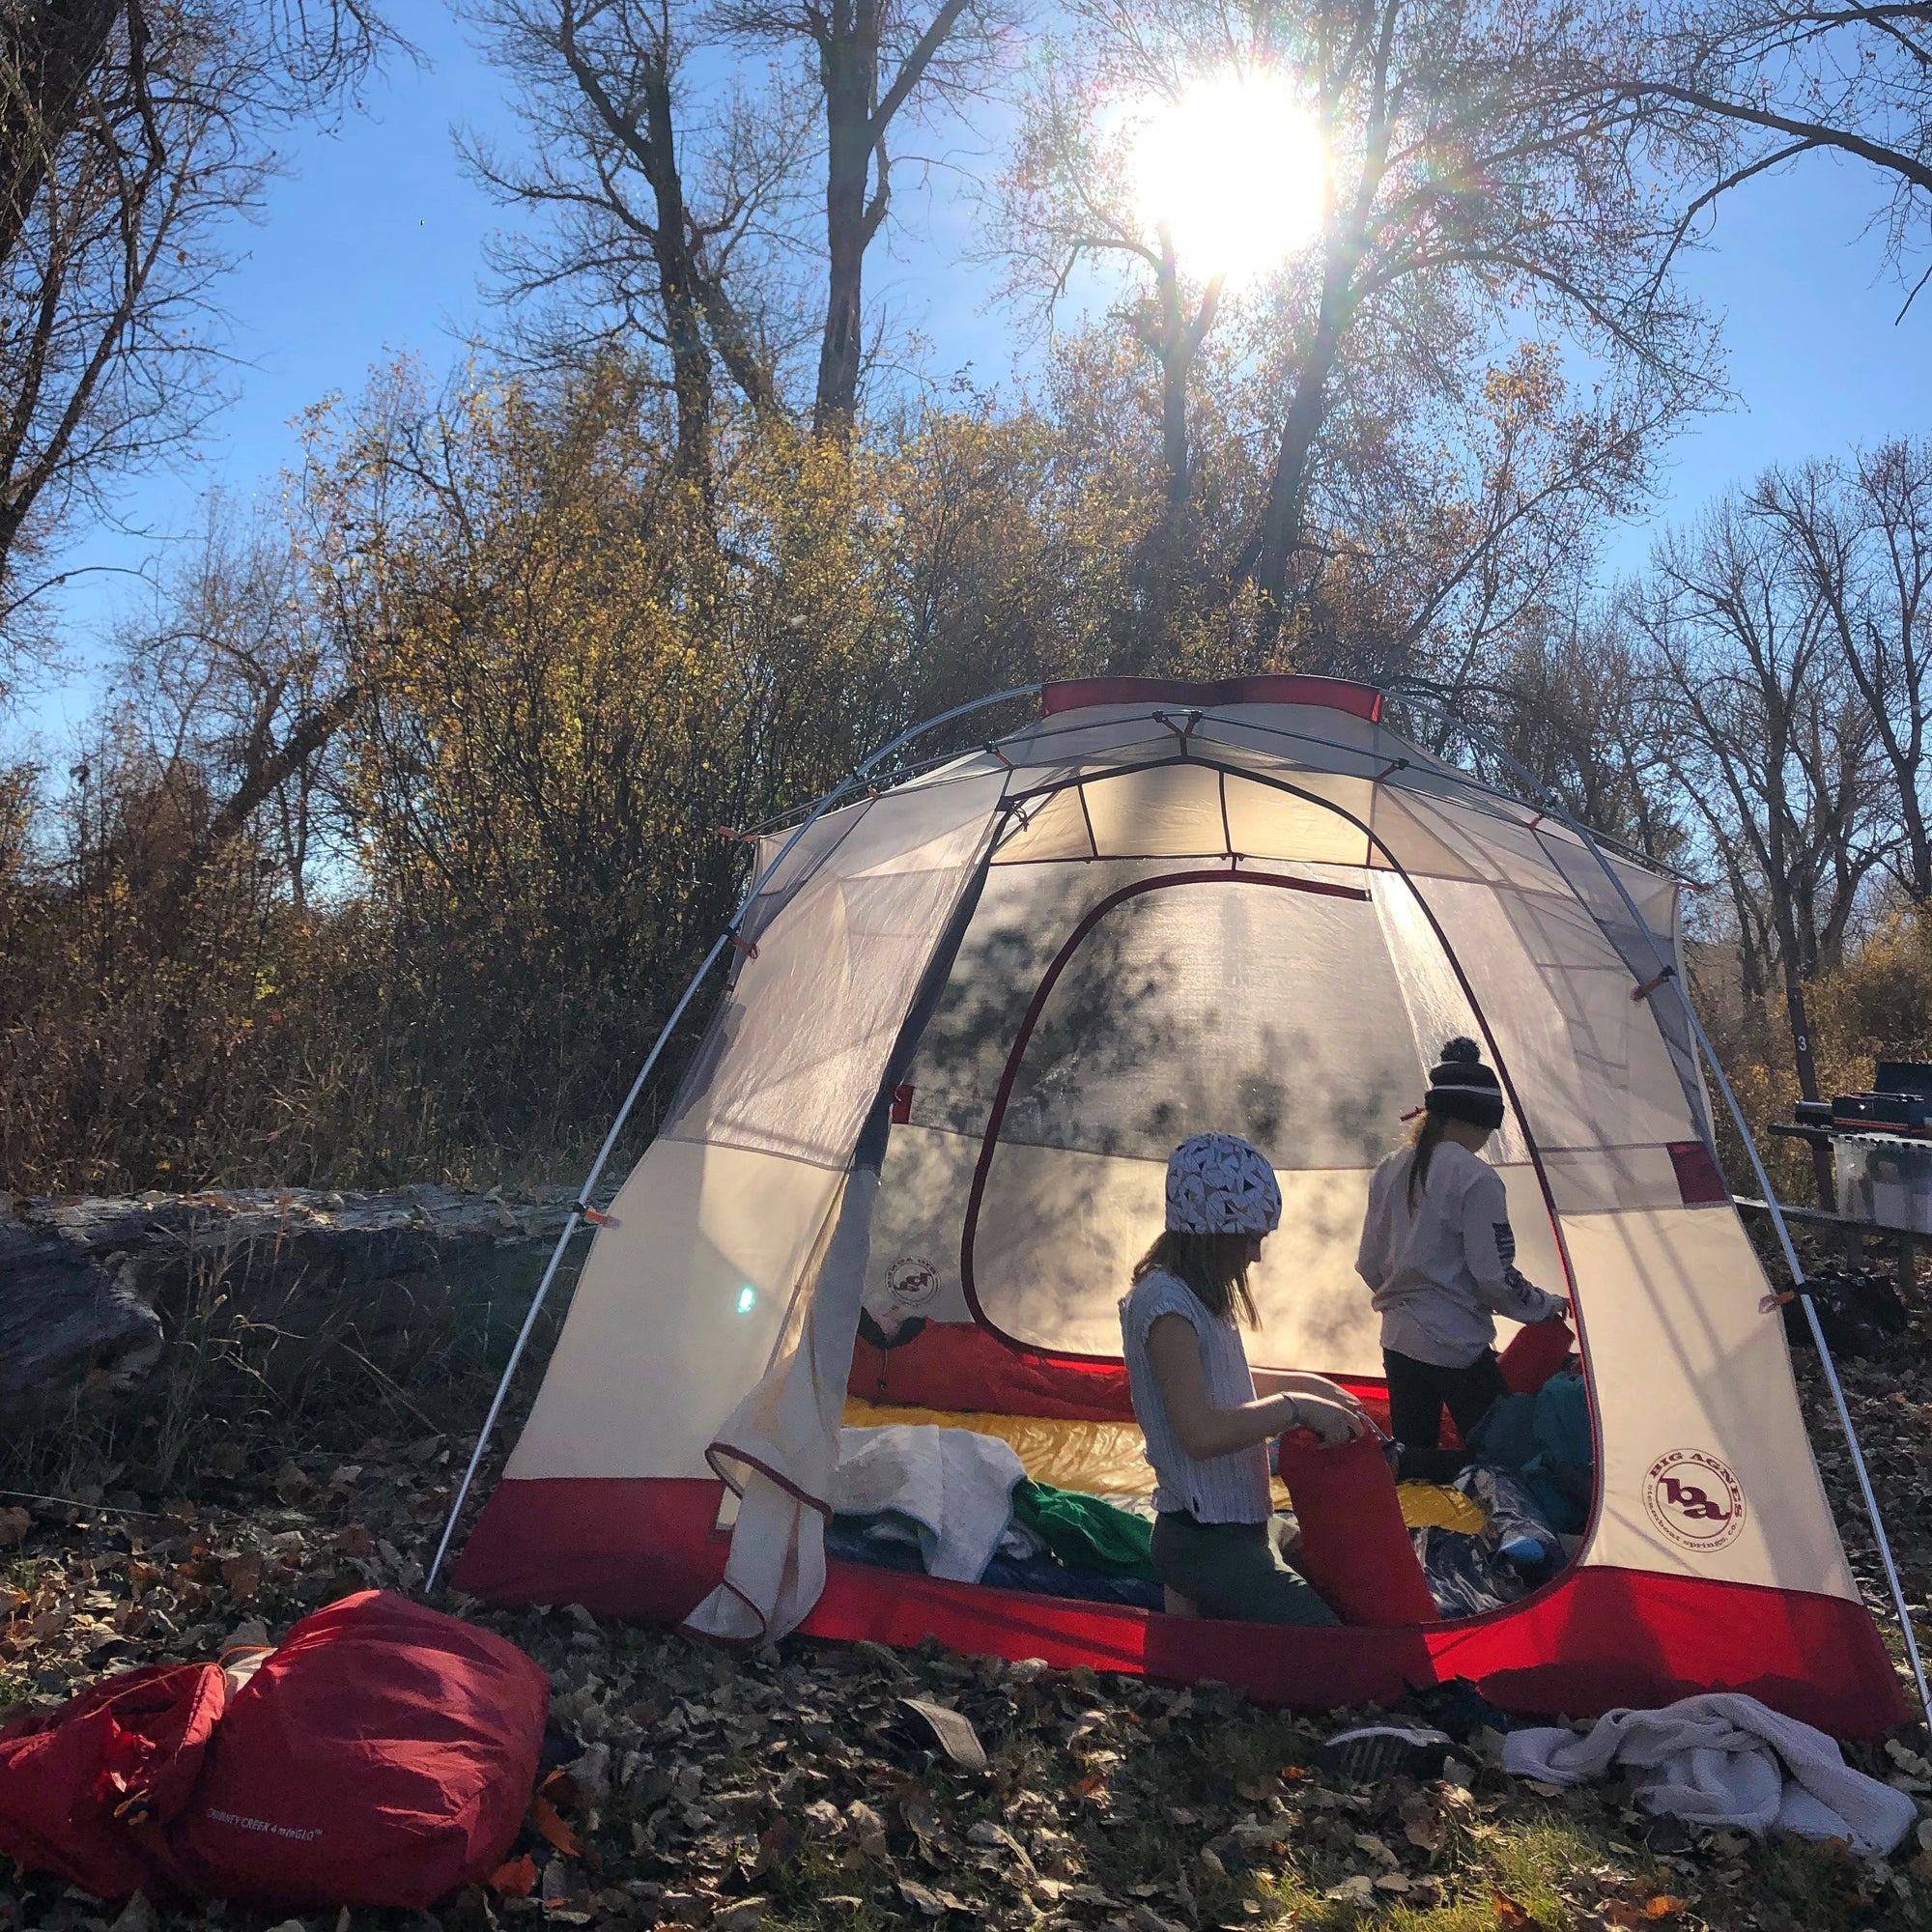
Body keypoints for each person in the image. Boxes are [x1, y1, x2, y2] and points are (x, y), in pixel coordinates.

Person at [1120, 1131, 1367, 1625]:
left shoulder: (1197, 1292)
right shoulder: (1165, 1304)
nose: (1255, 1256)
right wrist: (1294, 1407)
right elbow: (1200, 1433)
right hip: (1203, 1540)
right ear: (1213, 1231)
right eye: (1251, 1239)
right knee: (1332, 1646)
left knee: (1338, 1573)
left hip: (1244, 1527)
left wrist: (1310, 1385)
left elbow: (1220, 1377)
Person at [1356, 1037, 1572, 1480]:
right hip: (1455, 1347)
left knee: (1412, 1478)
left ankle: (1414, 1518)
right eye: (1490, 1130)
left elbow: (1368, 1264)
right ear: (1477, 1121)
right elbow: (1493, 1277)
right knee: (1503, 1459)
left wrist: (1406, 1300)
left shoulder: (1389, 1167)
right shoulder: (1477, 1179)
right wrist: (1545, 1305)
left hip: (1397, 1340)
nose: (1489, 1141)